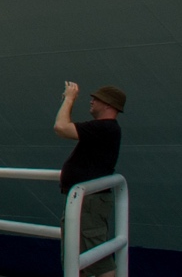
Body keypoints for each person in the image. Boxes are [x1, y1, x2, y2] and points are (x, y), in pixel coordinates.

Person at [55, 82, 126, 277]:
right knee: (78, 256)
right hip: (85, 201)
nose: (92, 101)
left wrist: (69, 98)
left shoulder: (105, 128)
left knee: (97, 259)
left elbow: (61, 127)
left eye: (97, 99)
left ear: (109, 105)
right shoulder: (104, 129)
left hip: (89, 203)